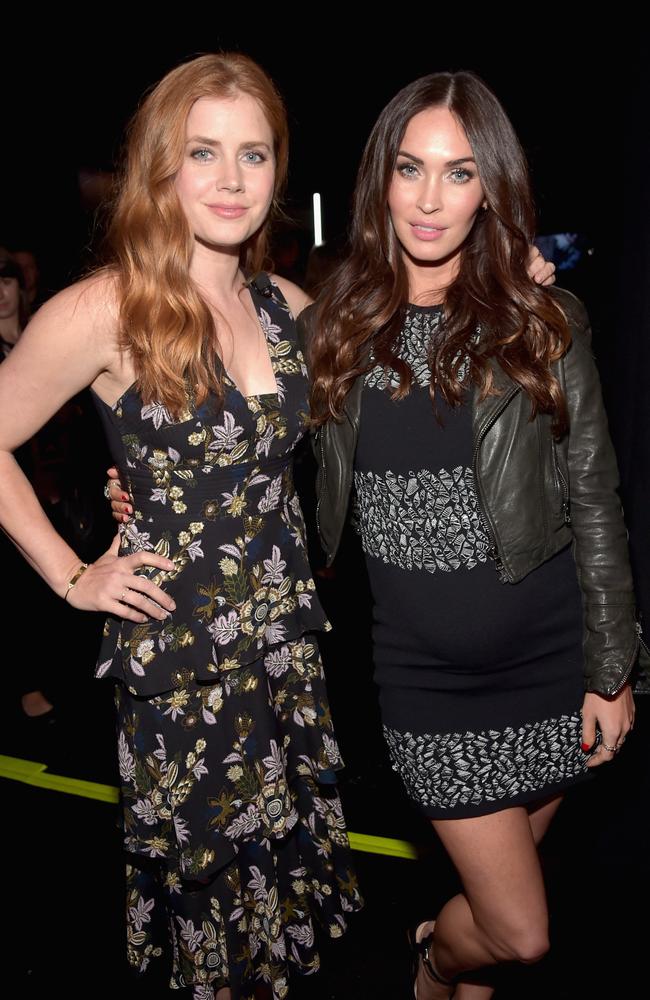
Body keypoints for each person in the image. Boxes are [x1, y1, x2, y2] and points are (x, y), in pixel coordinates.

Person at [0, 53, 364, 1000]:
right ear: (164, 166)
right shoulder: (104, 308)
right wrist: (73, 576)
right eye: (206, 153)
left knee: (285, 912)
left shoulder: (287, 306)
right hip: (183, 667)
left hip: (286, 650)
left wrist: (511, 279)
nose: (233, 180)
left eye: (254, 155)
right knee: (217, 926)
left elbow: (395, 379)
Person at [299, 72, 642, 999]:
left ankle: (455, 976)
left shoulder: (543, 321)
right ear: (382, 179)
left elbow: (597, 502)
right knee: (519, 931)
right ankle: (428, 960)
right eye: (411, 169)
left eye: (458, 173)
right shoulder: (330, 327)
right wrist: (135, 490)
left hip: (553, 663)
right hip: (429, 683)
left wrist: (610, 668)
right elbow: (240, 446)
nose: (429, 198)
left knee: (493, 910)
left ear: (490, 185)